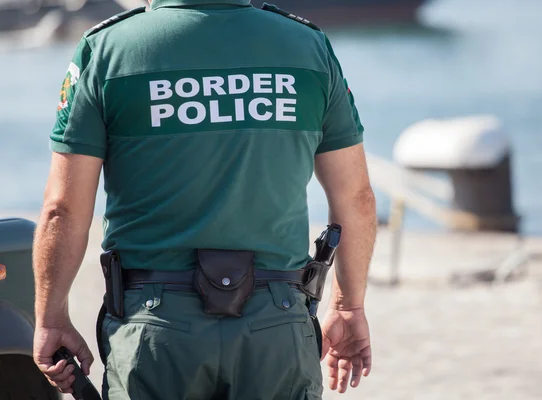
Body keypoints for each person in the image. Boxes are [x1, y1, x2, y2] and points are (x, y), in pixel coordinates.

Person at [32, 1, 377, 399]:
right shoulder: (309, 47)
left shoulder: (108, 49)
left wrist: (51, 316)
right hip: (276, 322)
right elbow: (357, 198)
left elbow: (64, 209)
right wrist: (349, 306)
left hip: (156, 327)